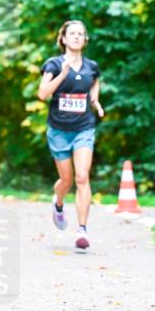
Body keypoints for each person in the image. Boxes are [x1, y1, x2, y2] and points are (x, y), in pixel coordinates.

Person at [36, 20, 104, 251]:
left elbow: (94, 83)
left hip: (84, 128)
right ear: (63, 38)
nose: (76, 37)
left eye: (81, 34)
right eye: (72, 33)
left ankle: (82, 230)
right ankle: (59, 203)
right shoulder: (54, 64)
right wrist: (62, 74)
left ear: (85, 40)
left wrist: (94, 99)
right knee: (65, 180)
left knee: (82, 177)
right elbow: (43, 94)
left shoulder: (91, 66)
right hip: (58, 131)